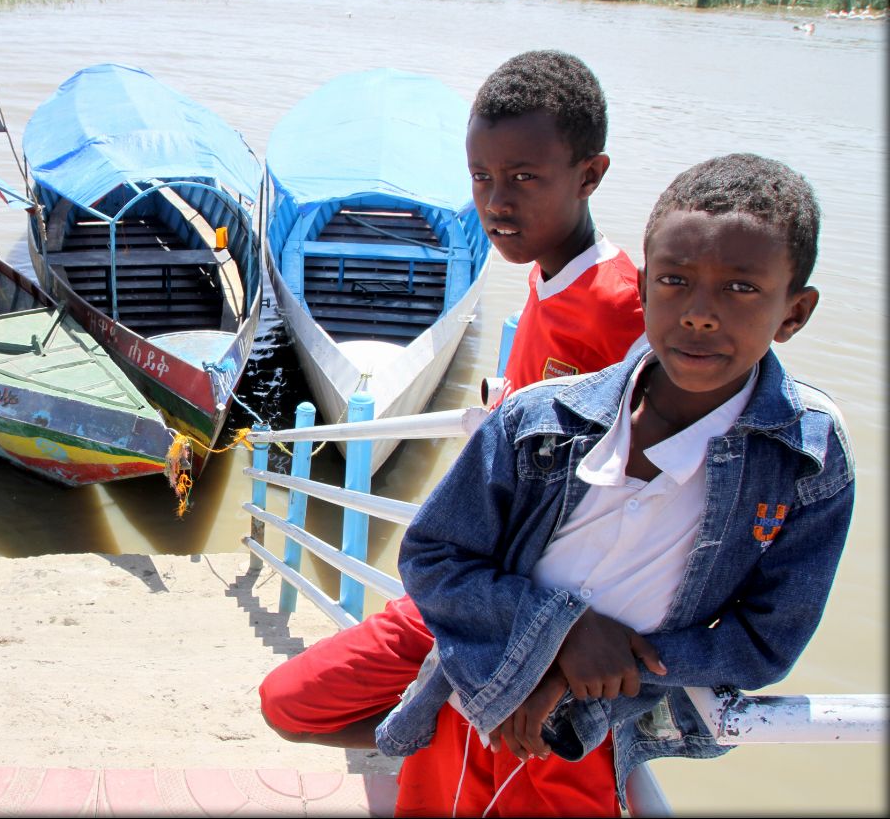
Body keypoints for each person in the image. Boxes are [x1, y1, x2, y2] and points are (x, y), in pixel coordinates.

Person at [377, 153, 854, 817]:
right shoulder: (537, 418)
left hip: (587, 742)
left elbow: (763, 642)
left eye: (740, 288)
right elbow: (432, 555)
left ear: (794, 312)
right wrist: (560, 634)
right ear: (644, 287)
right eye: (675, 280)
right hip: (469, 696)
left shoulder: (807, 456)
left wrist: (582, 682)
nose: (699, 313)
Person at [258, 50, 645, 770]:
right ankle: (455, 716)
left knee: (295, 702)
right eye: (480, 178)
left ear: (590, 175)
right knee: (288, 702)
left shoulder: (624, 307)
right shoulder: (548, 277)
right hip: (476, 580)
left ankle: (460, 716)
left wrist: (560, 638)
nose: (496, 202)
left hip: (519, 598)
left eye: (525, 178)